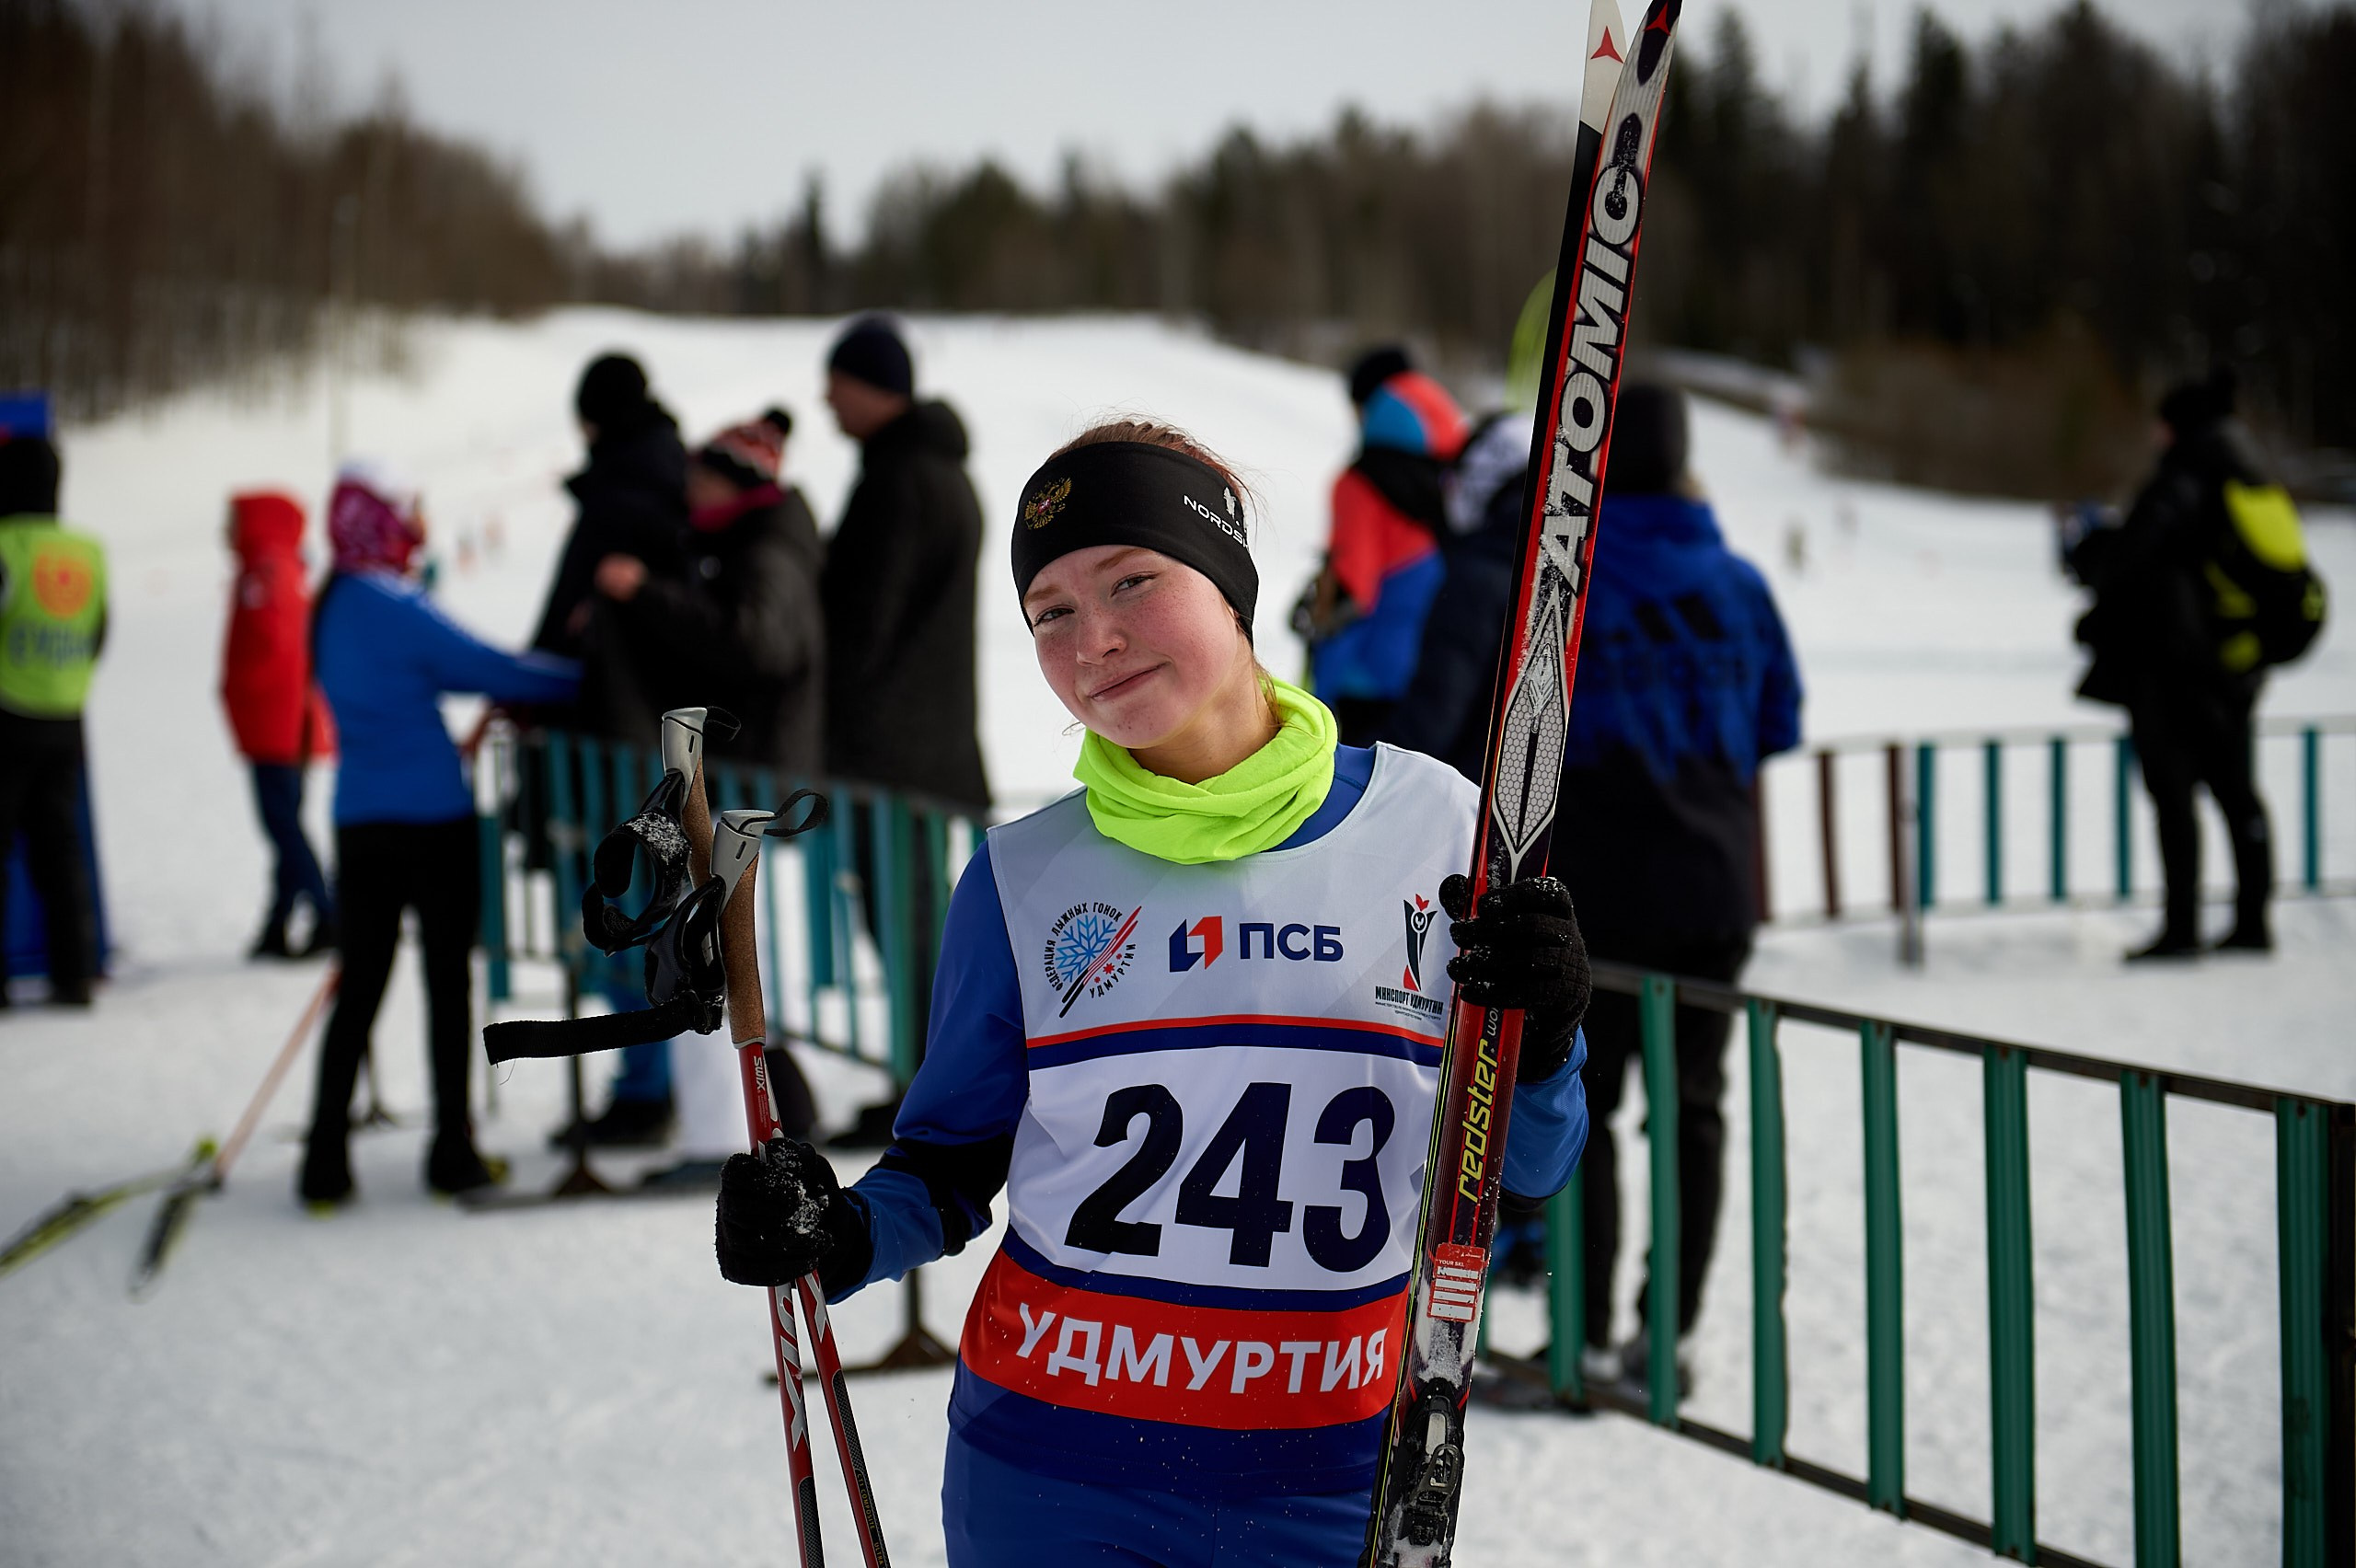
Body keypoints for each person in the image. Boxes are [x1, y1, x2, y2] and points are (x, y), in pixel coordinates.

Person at [712, 421, 1590, 1565]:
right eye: (1051, 612)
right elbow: (949, 1162)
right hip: (1048, 1472)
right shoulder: (1022, 879)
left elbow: (1517, 1175)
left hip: (1329, 1474)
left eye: (1134, 580)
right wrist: (834, 1235)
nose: (1097, 638)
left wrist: (1546, 1033)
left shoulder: (1436, 831)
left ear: (1230, 588)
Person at [1553, 385, 1802, 1393]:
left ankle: (1578, 1331)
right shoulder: (1737, 582)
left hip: (1596, 892)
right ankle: (1667, 1339)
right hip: (1711, 887)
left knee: (1581, 1108)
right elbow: (1777, 721)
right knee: (1692, 1111)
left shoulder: (1566, 579)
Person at [301, 462, 579, 1205]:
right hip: (430, 820)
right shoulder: (391, 601)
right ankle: (451, 1149)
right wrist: (580, 676)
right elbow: (486, 665)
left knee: (359, 986)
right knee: (443, 985)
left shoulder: (328, 601)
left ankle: (323, 1157)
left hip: (359, 818)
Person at [588, 408, 827, 1182]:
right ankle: (768, 1123)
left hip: (744, 784)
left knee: (720, 964)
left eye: (701, 478)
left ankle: (732, 1143)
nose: (688, 491)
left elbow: (754, 646)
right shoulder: (745, 544)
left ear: (734, 482)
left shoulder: (766, 549)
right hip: (735, 779)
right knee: (723, 963)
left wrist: (649, 597)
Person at [818, 316, 989, 1142]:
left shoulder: (898, 481)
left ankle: (932, 1099)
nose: (825, 399)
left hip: (895, 748)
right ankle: (926, 1086)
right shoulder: (938, 474)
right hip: (930, 742)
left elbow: (861, 622)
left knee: (910, 928)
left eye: (837, 382)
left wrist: (837, 723)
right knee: (917, 926)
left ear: (873, 385)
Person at [2071, 369, 2291, 959]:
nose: (2154, 434)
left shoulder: (2182, 480)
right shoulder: (2244, 472)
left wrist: (2093, 563)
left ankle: (2182, 927)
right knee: (2236, 792)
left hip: (2176, 668)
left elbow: (2131, 561)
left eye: (2160, 423)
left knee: (2174, 797)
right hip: (2235, 665)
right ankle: (2252, 921)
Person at [531, 352, 690, 1145]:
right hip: (659, 745)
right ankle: (650, 1082)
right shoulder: (672, 485)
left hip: (610, 743)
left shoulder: (618, 500)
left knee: (619, 915)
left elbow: (564, 627)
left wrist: (519, 696)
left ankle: (643, 1090)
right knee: (650, 912)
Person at [1301, 346, 1469, 745]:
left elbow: (1351, 592)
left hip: (1364, 681)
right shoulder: (1454, 476)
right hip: (1435, 678)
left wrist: (1319, 693)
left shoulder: (1360, 484)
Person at [0, 402, 105, 1007]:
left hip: (9, 713)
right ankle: (75, 974)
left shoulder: (8, 546)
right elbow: (99, 630)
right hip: (67, 715)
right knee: (60, 853)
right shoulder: (86, 550)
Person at [220, 490, 337, 959]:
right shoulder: (282, 566)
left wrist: (239, 691)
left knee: (283, 826)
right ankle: (280, 921)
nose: (225, 530)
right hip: (288, 722)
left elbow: (273, 648)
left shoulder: (266, 571)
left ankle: (327, 914)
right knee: (285, 824)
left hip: (275, 723)